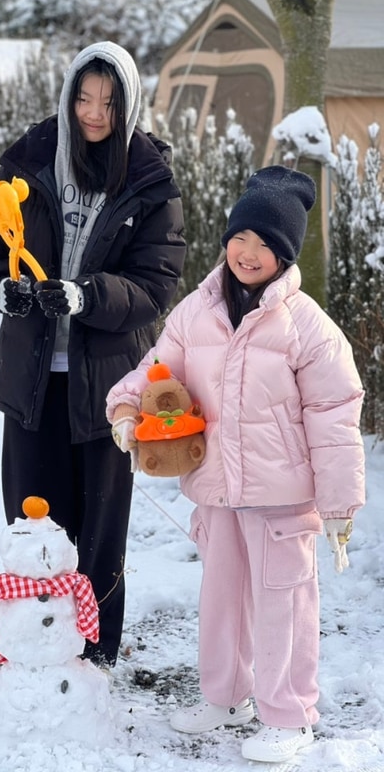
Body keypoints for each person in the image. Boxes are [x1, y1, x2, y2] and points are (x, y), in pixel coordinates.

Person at [106, 165, 365, 762]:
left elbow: (334, 414)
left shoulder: (308, 328)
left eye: (267, 245)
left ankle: (289, 715)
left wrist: (337, 504)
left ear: (285, 256)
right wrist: (125, 405)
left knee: (284, 604)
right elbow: (158, 366)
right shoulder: (196, 312)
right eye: (242, 238)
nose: (250, 253)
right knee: (221, 600)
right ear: (227, 239)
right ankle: (225, 697)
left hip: (282, 497)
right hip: (217, 490)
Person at [0, 41, 186, 667]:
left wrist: (85, 297)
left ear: (128, 106)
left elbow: (155, 285)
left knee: (100, 528)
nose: (94, 113)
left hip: (109, 387)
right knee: (35, 523)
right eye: (84, 98)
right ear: (67, 96)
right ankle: (31, 648)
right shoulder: (26, 161)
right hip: (33, 379)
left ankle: (93, 653)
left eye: (109, 102)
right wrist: (0, 290)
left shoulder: (150, 180)